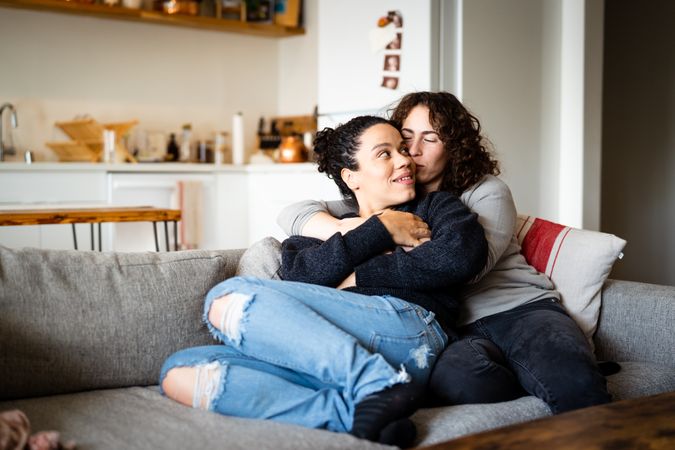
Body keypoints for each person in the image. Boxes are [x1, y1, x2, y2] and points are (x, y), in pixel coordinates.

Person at [160, 115, 487, 447]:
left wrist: (359, 275)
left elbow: (460, 257)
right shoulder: (318, 235)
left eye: (402, 149)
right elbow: (302, 279)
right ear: (351, 176)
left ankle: (377, 382)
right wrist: (380, 230)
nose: (405, 159)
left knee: (228, 296)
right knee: (179, 371)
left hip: (412, 332)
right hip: (330, 360)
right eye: (385, 153)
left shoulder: (436, 207)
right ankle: (354, 413)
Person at [277, 91, 612, 414]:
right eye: (405, 138)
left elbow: (465, 266)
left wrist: (357, 275)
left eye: (431, 138)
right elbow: (296, 213)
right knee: (458, 381)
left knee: (572, 382)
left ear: (453, 148)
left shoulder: (482, 193)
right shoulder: (391, 196)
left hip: (516, 309)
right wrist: (364, 230)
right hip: (452, 328)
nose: (414, 150)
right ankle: (530, 379)